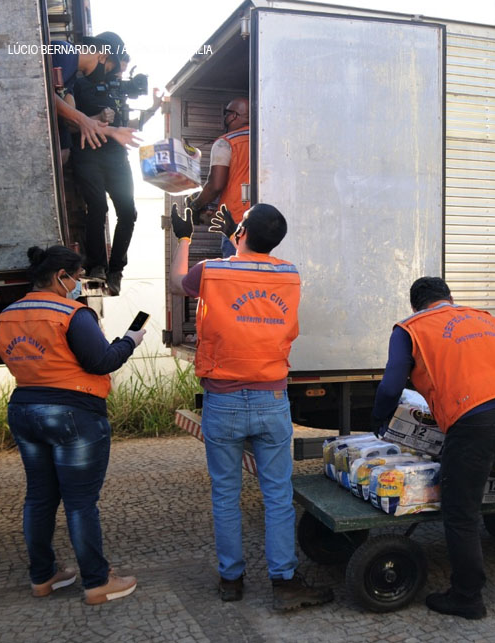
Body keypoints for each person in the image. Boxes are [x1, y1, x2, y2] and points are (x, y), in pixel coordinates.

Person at [168, 202, 333, 610]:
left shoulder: (211, 271)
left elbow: (177, 282)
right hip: (271, 397)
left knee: (226, 493)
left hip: (222, 400)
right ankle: (285, 581)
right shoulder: (290, 274)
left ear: (240, 232)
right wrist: (233, 238)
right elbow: (250, 271)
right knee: (277, 494)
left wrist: (184, 236)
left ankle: (231, 579)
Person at [371, 277, 495, 620]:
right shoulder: (484, 317)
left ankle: (467, 597)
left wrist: (379, 420)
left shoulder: (409, 329)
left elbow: (390, 386)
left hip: (473, 419)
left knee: (461, 514)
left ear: (415, 306)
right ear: (450, 298)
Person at [0, 245, 146, 604]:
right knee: (80, 503)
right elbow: (102, 361)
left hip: (24, 409)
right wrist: (130, 340)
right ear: (61, 277)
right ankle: (96, 582)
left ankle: (43, 578)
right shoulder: (72, 313)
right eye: (76, 278)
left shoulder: (6, 316)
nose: (78, 284)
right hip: (74, 414)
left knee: (39, 497)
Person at [71, 52, 156, 294]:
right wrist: (97, 118)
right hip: (88, 153)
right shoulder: (79, 84)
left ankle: (115, 270)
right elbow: (68, 122)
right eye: (117, 68)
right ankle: (98, 265)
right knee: (98, 207)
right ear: (105, 61)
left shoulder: (117, 90)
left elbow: (127, 126)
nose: (119, 74)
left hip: (116, 157)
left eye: (122, 70)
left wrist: (154, 108)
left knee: (128, 212)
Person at [50, 32, 140, 161]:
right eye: (107, 70)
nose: (103, 77)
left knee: (64, 149)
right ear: (103, 56)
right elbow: (44, 95)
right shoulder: (64, 52)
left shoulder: (71, 76)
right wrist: (82, 119)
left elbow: (69, 119)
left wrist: (111, 131)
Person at [187, 97, 250, 258]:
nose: (225, 118)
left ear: (234, 116)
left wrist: (196, 205)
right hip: (265, 219)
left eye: (226, 113)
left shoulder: (226, 143)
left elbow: (216, 185)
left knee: (235, 272)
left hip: (236, 220)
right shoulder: (267, 139)